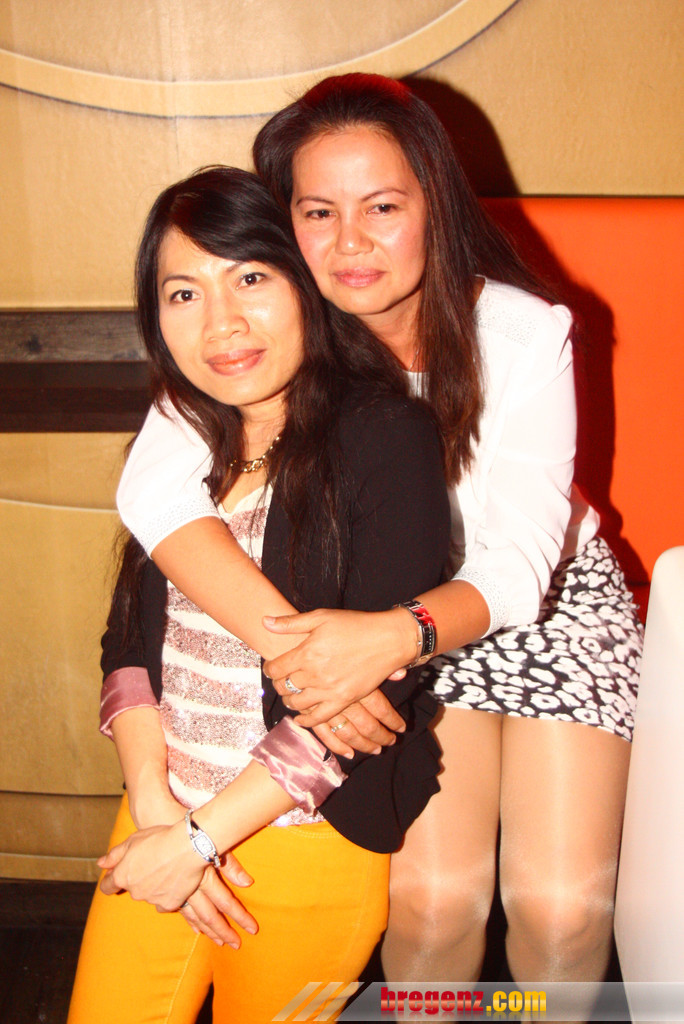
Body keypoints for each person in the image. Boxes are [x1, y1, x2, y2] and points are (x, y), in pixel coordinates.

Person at [114, 74, 643, 994]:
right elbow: (153, 488)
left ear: (435, 204)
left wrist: (394, 637)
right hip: (368, 611)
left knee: (561, 909)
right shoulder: (264, 324)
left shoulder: (521, 333)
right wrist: (305, 656)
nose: (350, 243)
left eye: (383, 207)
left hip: (541, 605)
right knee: (436, 902)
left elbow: (520, 562)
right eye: (318, 212)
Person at [67, 165, 451, 1024]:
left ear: (304, 285)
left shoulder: (385, 436)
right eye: (184, 293)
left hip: (306, 840)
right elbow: (126, 645)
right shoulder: (180, 443)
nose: (222, 323)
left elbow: (366, 701)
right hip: (159, 816)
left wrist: (202, 839)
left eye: (249, 279)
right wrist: (158, 809)